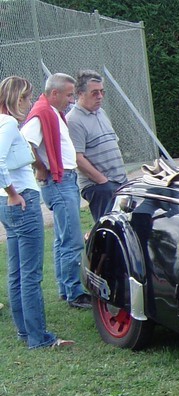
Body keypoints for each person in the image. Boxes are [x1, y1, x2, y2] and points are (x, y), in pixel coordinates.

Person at [0, 76, 73, 348]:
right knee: (30, 274)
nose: (29, 103)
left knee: (17, 272)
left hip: (8, 203)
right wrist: (13, 193)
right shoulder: (7, 123)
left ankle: (25, 330)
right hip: (21, 201)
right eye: (27, 98)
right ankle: (38, 337)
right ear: (16, 99)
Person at [21, 73, 91, 309]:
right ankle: (74, 292)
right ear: (55, 93)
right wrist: (40, 167)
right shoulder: (41, 113)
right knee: (71, 239)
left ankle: (65, 287)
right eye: (69, 94)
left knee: (63, 237)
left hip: (63, 179)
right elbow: (25, 143)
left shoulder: (52, 112)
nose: (71, 100)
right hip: (58, 181)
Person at [66, 70, 127, 221]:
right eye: (94, 93)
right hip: (100, 187)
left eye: (102, 92)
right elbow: (77, 157)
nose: (100, 96)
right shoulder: (73, 120)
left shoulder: (101, 113)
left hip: (119, 182)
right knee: (108, 232)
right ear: (80, 93)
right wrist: (102, 181)